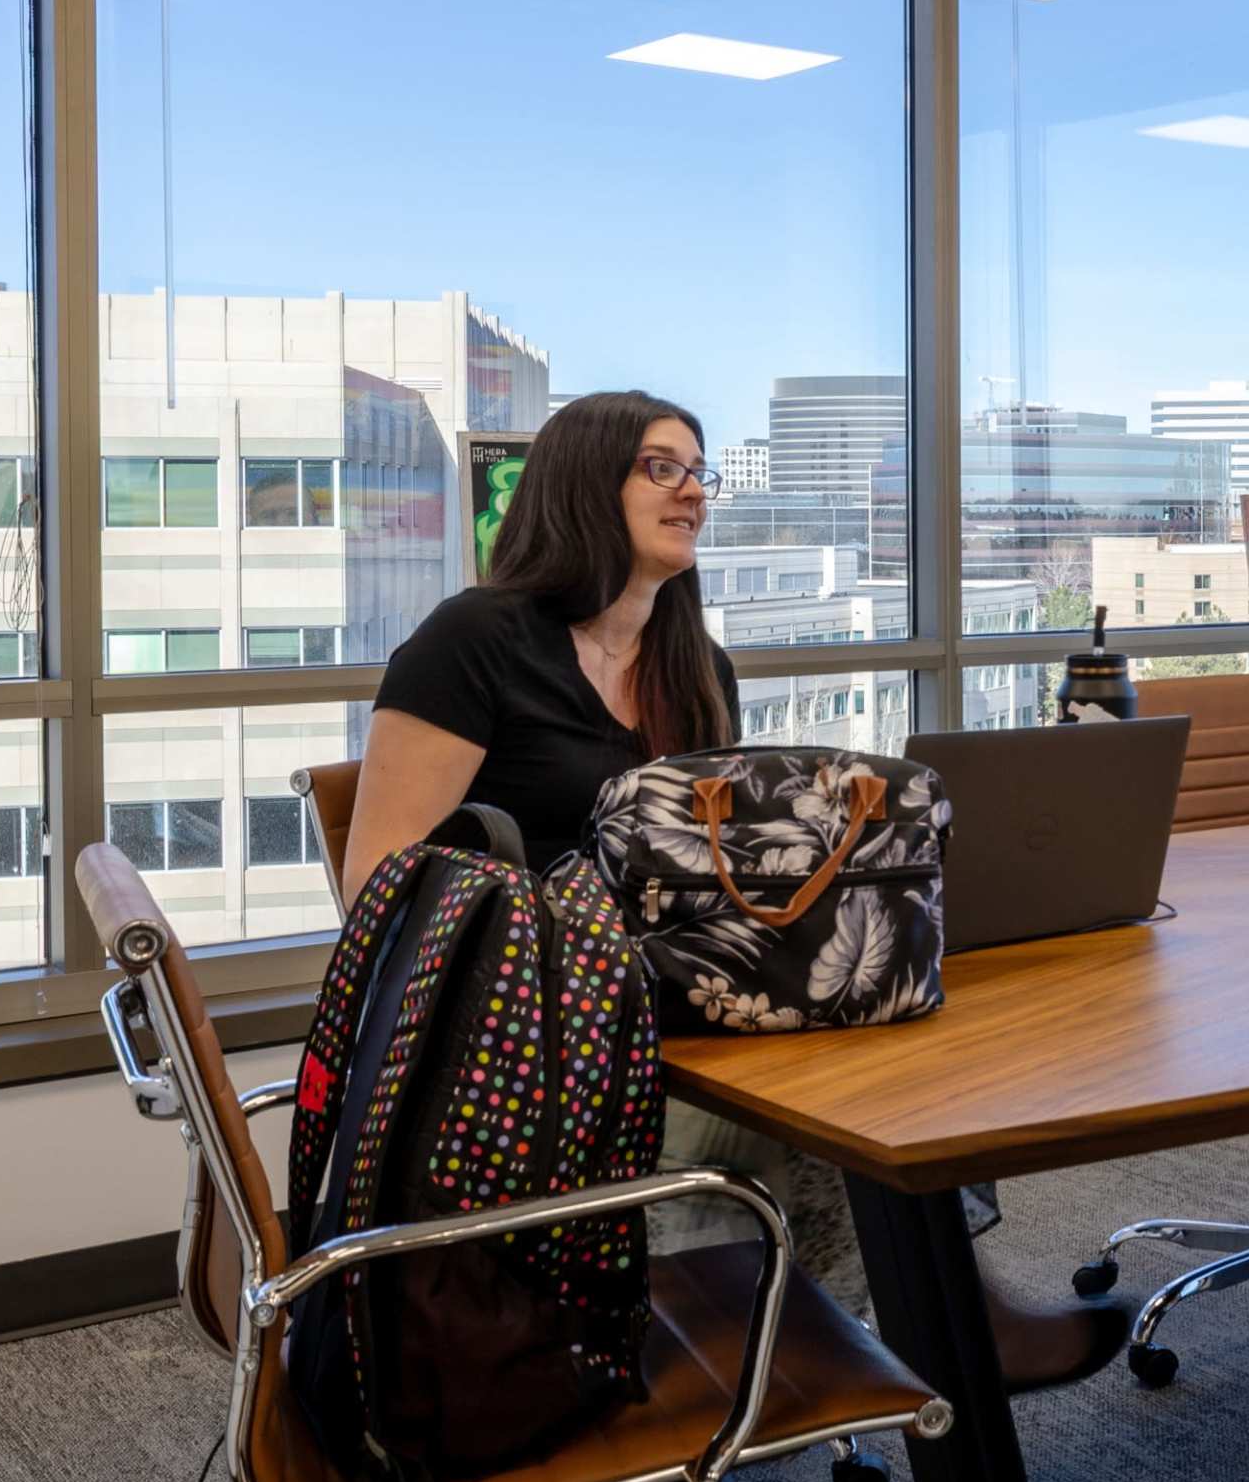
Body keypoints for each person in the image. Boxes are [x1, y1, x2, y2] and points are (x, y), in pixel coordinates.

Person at [340, 387, 1132, 1393]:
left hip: (685, 995)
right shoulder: (474, 641)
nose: (694, 493)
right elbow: (382, 884)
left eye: (698, 472)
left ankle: (881, 1327)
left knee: (875, 1034)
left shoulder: (692, 660)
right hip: (538, 1027)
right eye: (660, 468)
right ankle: (708, 1356)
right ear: (585, 484)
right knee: (823, 1091)